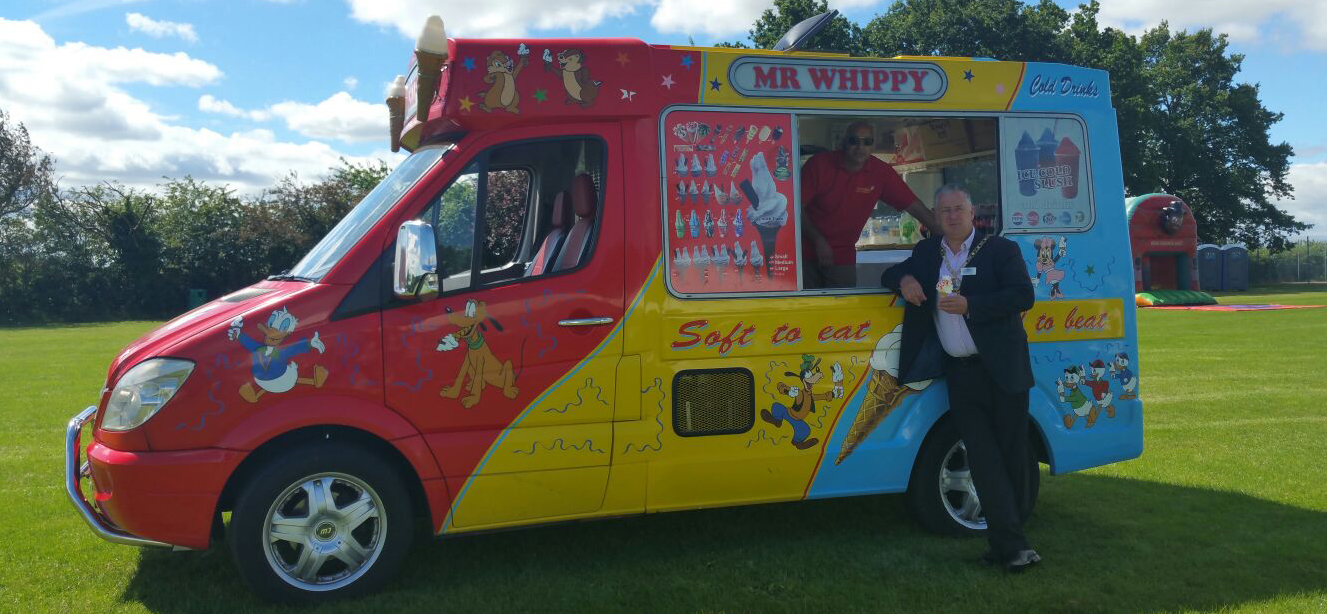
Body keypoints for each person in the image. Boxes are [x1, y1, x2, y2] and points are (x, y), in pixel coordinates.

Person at [879, 184, 1040, 572]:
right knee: (983, 460)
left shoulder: (1000, 250)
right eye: (944, 210)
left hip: (1001, 369)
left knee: (1013, 457)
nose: (951, 216)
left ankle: (1009, 544)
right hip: (961, 374)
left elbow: (1023, 296)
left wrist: (973, 305)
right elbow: (891, 270)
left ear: (972, 214)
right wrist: (904, 282)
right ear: (936, 216)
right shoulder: (926, 253)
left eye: (958, 209)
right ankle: (1012, 547)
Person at [800, 121, 939, 288]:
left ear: (873, 145)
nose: (860, 146)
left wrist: (948, 236)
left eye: (867, 142)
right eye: (854, 140)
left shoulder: (881, 173)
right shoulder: (819, 165)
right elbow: (792, 209)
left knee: (842, 308)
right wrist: (817, 240)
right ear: (843, 142)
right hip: (803, 252)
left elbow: (914, 206)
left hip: (842, 256)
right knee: (803, 307)